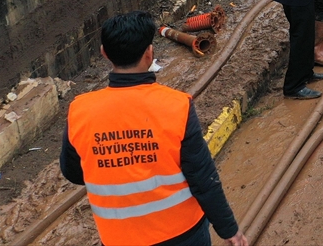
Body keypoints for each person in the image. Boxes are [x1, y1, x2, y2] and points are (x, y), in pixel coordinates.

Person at [60, 12, 248, 246]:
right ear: (149, 53)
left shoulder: (79, 110)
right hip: (183, 234)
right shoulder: (177, 105)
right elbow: (202, 177)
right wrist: (229, 229)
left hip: (119, 238)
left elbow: (74, 172)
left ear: (104, 53)